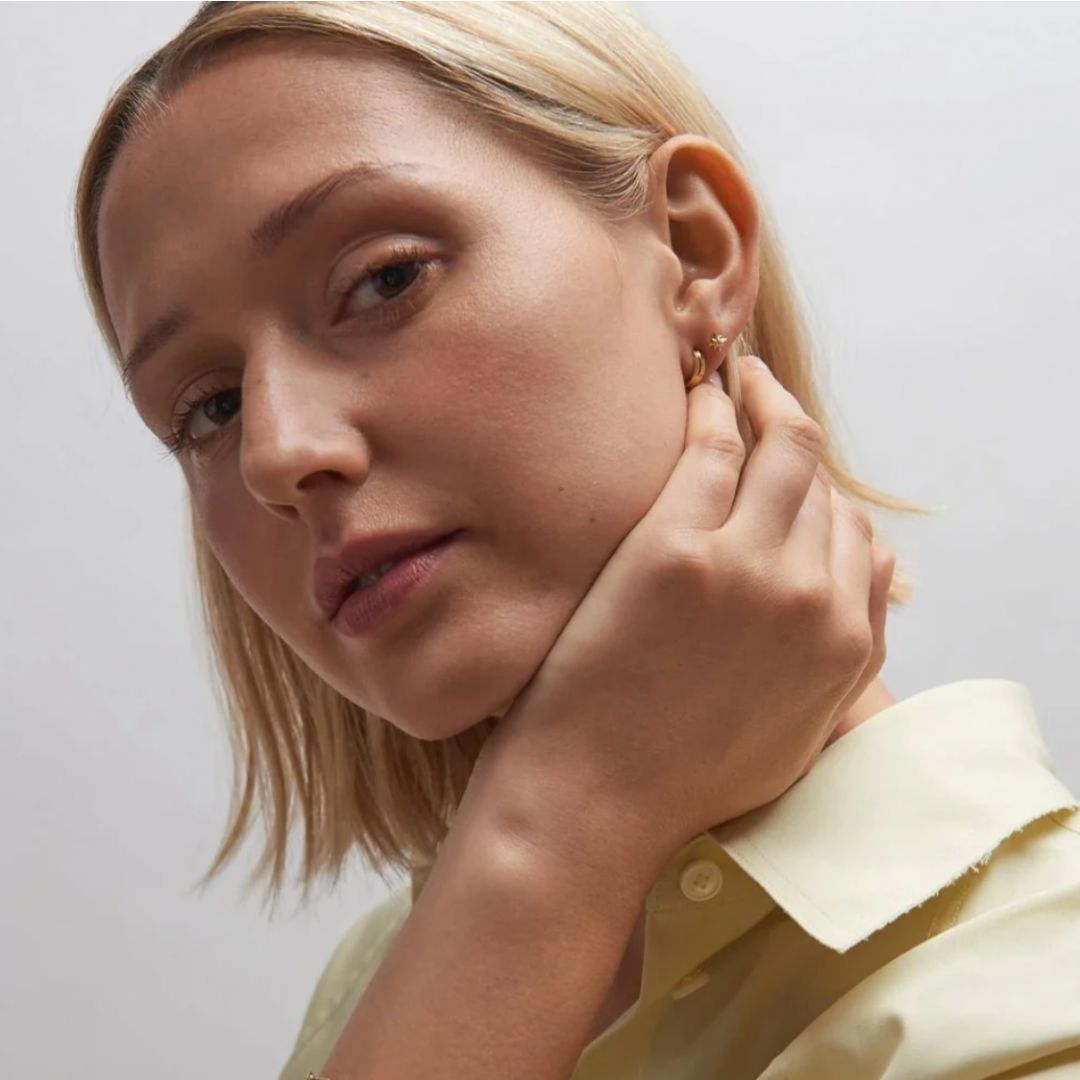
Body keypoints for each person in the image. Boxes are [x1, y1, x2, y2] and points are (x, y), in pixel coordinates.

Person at [74, 3, 1080, 1078]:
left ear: (694, 253)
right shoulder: (393, 973)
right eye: (209, 409)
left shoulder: (1032, 988)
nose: (278, 452)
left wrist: (557, 828)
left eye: (384, 278)